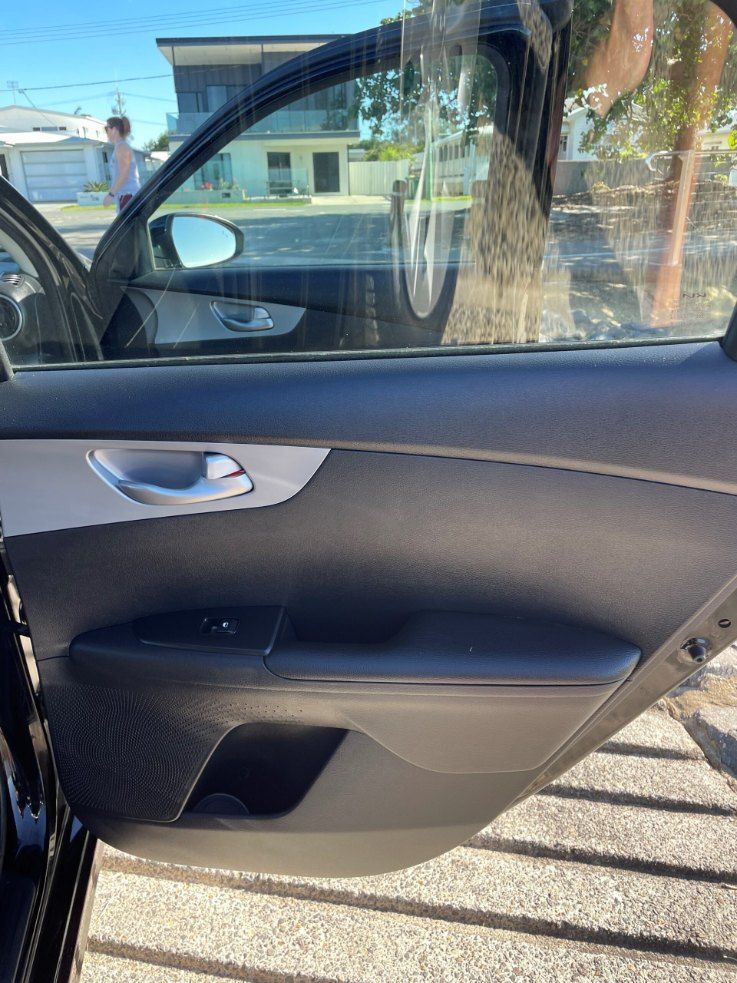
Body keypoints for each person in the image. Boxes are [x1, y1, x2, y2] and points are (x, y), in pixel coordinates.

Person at [103, 116, 140, 211]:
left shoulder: (122, 147)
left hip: (128, 196)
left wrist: (111, 195)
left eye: (106, 128)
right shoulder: (119, 147)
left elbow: (124, 173)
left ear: (114, 129)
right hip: (126, 196)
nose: (106, 132)